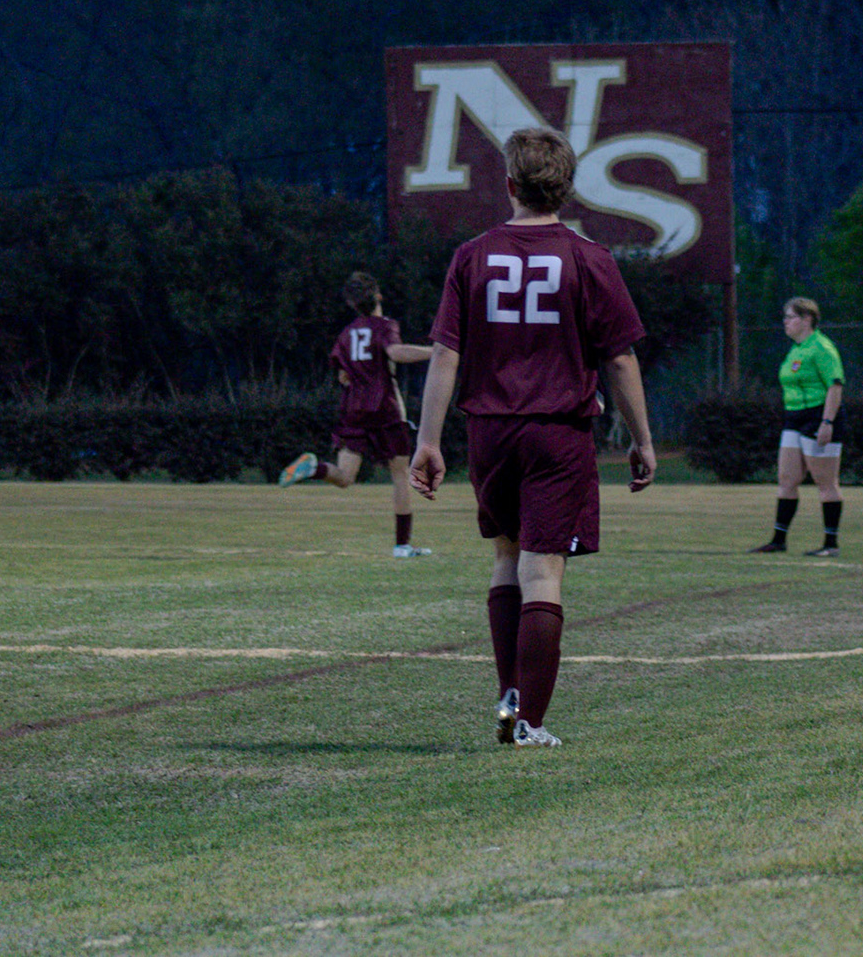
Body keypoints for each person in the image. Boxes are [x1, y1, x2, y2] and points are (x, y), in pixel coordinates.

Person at [409, 126, 658, 748]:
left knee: (505, 558)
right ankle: (530, 723)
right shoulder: (589, 258)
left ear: (510, 184)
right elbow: (619, 359)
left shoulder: (472, 255)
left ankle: (509, 695)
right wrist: (642, 438)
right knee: (542, 572)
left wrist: (428, 440)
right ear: (566, 187)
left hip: (490, 431)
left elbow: (445, 353)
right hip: (557, 432)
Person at [279, 271, 437, 558]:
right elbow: (396, 352)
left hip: (353, 408)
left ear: (352, 304)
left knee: (345, 477)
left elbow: (342, 376)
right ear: (378, 295)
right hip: (384, 408)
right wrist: (435, 352)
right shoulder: (385, 325)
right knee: (400, 474)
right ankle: (402, 546)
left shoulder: (346, 334)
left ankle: (314, 469)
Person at [751, 296, 848, 557]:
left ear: (807, 319)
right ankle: (778, 541)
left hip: (818, 416)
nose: (785, 322)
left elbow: (835, 386)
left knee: (825, 482)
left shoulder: (822, 348)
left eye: (790, 317)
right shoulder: (796, 349)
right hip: (793, 417)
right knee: (787, 478)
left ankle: (830, 544)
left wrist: (827, 422)